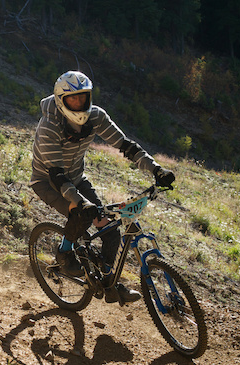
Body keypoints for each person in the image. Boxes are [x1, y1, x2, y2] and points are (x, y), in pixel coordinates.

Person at [30, 70, 175, 305]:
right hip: (47, 181)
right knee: (80, 213)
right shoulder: (49, 126)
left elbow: (126, 146)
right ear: (60, 100)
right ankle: (64, 252)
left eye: (83, 97)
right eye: (73, 99)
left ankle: (109, 282)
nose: (79, 103)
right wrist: (81, 202)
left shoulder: (96, 116)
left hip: (76, 178)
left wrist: (157, 170)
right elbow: (56, 175)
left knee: (110, 228)